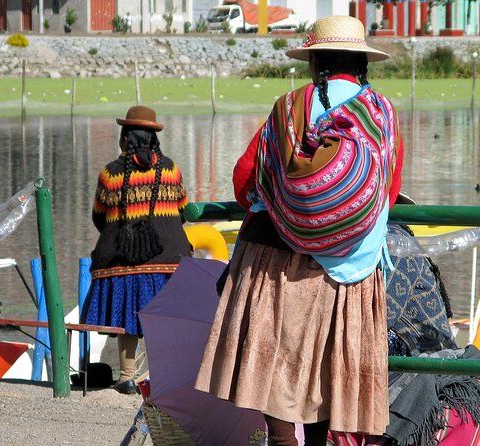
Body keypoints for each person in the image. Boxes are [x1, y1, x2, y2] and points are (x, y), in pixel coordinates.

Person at [196, 16, 404, 445]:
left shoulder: (288, 109)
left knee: (275, 379)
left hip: (276, 262)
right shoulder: (382, 114)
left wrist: (290, 203)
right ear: (362, 63)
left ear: (315, 62)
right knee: (327, 380)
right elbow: (390, 186)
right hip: (351, 269)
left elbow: (245, 179)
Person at [82, 105, 192, 395]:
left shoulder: (110, 174)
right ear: (154, 139)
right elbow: (182, 210)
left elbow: (99, 216)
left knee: (127, 315)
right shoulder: (170, 169)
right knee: (161, 319)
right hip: (168, 260)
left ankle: (127, 376)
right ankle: (161, 377)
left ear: (124, 138)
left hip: (122, 261)